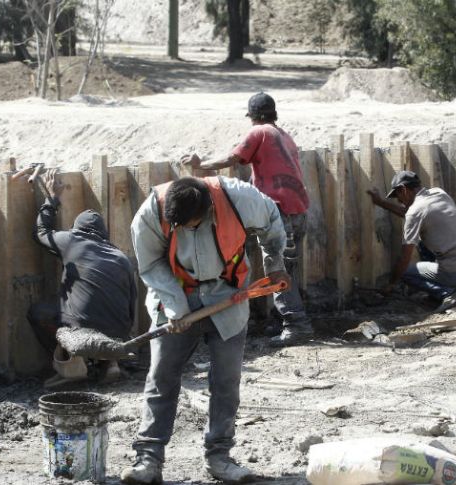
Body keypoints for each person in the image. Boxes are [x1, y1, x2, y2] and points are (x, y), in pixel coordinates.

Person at [121, 176, 289, 484]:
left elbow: (272, 221)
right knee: (161, 376)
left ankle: (219, 457)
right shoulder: (150, 213)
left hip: (228, 294)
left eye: (191, 225)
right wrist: (176, 309)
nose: (184, 230)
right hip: (175, 293)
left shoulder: (240, 198)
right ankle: (149, 459)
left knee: (226, 380)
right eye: (179, 227)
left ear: (209, 209)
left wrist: (275, 263)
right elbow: (150, 265)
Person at [181, 92, 312, 347]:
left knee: (277, 269)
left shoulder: (258, 132)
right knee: (287, 268)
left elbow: (232, 159)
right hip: (298, 209)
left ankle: (297, 325)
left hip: (279, 213)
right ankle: (283, 319)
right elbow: (264, 173)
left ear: (253, 116)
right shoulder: (284, 135)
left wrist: (200, 165)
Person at [27, 169, 137, 383]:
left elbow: (41, 233)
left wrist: (52, 199)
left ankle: (71, 361)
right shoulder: (121, 257)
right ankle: (109, 362)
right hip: (119, 332)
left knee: (38, 313)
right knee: (99, 317)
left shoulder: (72, 241)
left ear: (77, 230)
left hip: (82, 328)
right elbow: (131, 305)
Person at [367, 170, 456, 312]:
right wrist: (381, 203)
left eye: (398, 196)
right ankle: (444, 290)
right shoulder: (439, 193)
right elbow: (411, 213)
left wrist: (390, 284)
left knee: (404, 272)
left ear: (403, 190)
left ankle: (447, 293)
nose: (398, 201)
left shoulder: (415, 213)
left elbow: (404, 259)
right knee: (424, 240)